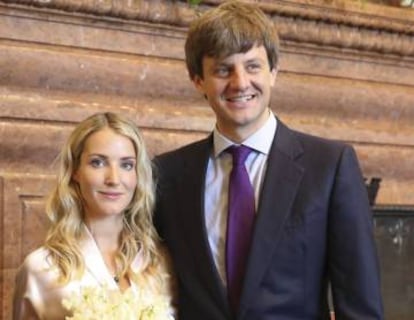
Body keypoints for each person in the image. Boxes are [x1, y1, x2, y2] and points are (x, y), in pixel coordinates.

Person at [153, 1, 384, 319]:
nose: (240, 82)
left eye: (252, 66)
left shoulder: (330, 166)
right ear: (197, 80)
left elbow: (360, 305)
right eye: (223, 69)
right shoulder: (167, 174)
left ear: (273, 72)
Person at [13, 112, 175, 319]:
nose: (114, 179)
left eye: (126, 165)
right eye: (98, 163)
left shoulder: (161, 263)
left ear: (137, 175)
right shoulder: (40, 268)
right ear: (75, 171)